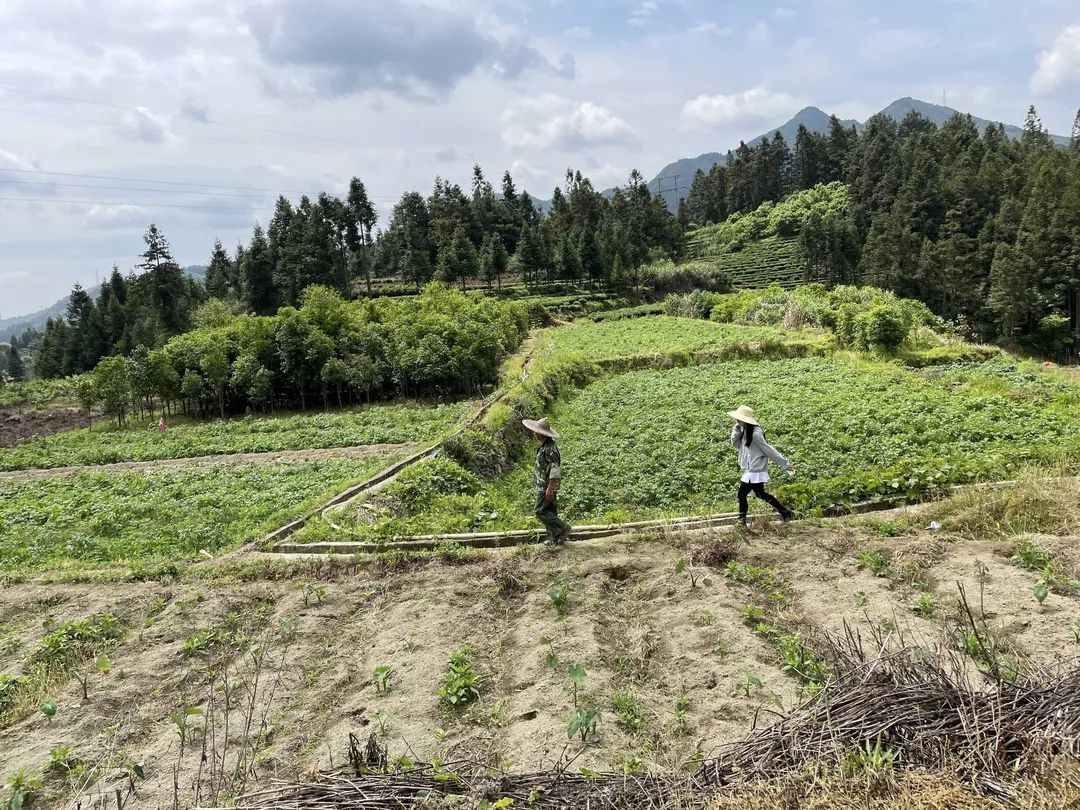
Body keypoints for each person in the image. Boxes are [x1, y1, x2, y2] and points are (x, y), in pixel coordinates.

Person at [727, 405, 795, 527]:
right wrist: (736, 429)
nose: (737, 420)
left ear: (746, 419)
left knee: (742, 494)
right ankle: (786, 512)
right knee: (760, 494)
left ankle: (741, 521)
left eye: (739, 418)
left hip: (755, 469)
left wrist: (784, 464)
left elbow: (768, 449)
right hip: (751, 468)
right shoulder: (744, 430)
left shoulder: (755, 434)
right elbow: (735, 444)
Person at [523, 417, 570, 546]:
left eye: (535, 431)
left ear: (540, 433)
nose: (534, 433)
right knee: (550, 510)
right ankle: (553, 537)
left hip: (546, 485)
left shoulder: (550, 448)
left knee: (540, 510)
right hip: (544, 484)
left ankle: (562, 528)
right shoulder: (544, 446)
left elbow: (554, 469)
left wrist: (550, 486)